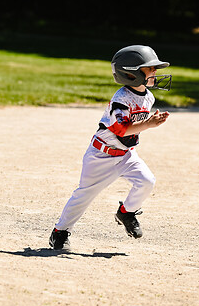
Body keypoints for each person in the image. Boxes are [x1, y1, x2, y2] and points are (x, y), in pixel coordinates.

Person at [49, 45, 172, 249]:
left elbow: (132, 131)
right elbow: (121, 130)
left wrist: (149, 121)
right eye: (150, 69)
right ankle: (60, 231)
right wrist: (149, 123)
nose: (155, 72)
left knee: (147, 181)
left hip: (126, 154)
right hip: (101, 155)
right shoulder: (121, 99)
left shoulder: (149, 97)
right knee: (84, 196)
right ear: (131, 74)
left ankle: (126, 213)